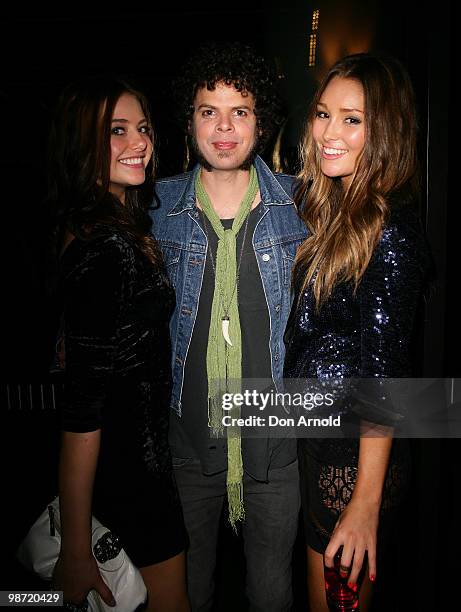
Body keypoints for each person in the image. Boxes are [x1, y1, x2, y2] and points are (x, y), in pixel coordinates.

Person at [152, 42, 307, 611]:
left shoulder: (300, 208)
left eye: (239, 110)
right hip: (188, 443)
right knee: (187, 592)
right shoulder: (157, 207)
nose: (223, 126)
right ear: (189, 121)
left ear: (259, 120)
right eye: (207, 110)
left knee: (272, 593)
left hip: (275, 445)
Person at [283, 53, 430, 610]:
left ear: (384, 130)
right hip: (322, 440)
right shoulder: (336, 208)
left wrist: (364, 501)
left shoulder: (390, 227)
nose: (329, 133)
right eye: (323, 114)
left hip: (353, 457)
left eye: (352, 119)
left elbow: (385, 373)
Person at [48, 76, 189, 612]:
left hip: (135, 468)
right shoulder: (105, 249)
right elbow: (81, 409)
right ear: (82, 142)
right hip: (129, 478)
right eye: (117, 131)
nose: (140, 143)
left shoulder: (98, 226)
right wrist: (79, 549)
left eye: (144, 129)